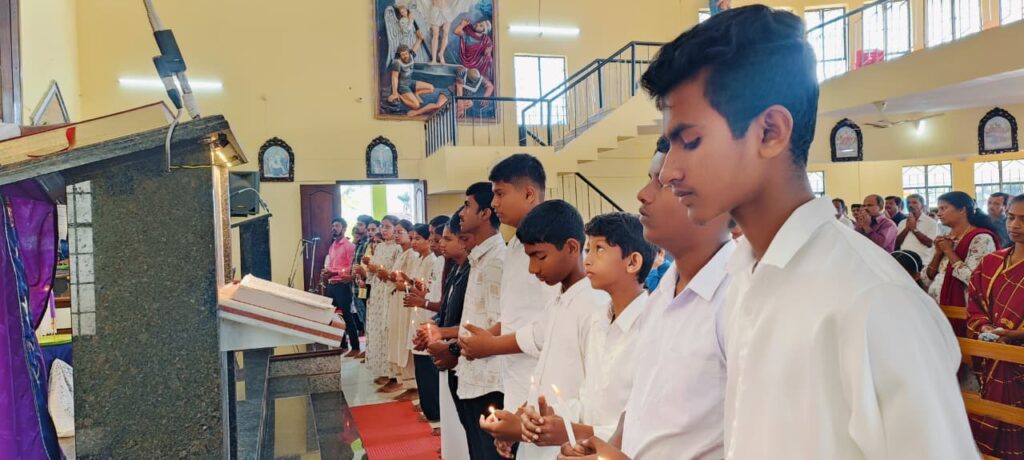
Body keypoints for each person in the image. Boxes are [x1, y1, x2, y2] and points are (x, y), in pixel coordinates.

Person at [646, 6, 975, 458]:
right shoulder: (745, 278)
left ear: (770, 131)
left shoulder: (872, 299)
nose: (669, 171)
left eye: (690, 141)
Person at [561, 137, 736, 460]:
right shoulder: (662, 295)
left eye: (664, 183)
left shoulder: (737, 296)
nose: (643, 193)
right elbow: (641, 404)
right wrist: (606, 449)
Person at [475, 200, 609, 459]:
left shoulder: (595, 306)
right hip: (541, 438)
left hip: (570, 445)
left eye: (540, 256)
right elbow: (543, 373)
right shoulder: (559, 300)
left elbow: (594, 396)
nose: (532, 268)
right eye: (529, 257)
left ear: (572, 248)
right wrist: (519, 418)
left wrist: (528, 427)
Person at [522, 212, 655, 453]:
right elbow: (589, 402)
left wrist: (578, 432)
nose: (588, 260)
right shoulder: (599, 320)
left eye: (599, 249)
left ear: (632, 262)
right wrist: (556, 414)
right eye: (588, 250)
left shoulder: (652, 328)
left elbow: (646, 423)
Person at [966, 194, 1024, 459]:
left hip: (1018, 358)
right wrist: (986, 329)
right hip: (994, 355)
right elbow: (975, 303)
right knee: (993, 415)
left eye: (1023, 219)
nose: (1014, 225)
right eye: (1011, 217)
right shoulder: (991, 262)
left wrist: (1016, 335)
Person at [452, 182, 507, 460]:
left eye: (467, 205)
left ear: (485, 214)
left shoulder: (499, 259)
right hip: (472, 372)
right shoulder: (479, 258)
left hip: (491, 377)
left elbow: (511, 318)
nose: (462, 212)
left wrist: (480, 344)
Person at [421, 209, 472, 460]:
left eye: (447, 238)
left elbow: (472, 319)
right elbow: (448, 308)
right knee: (451, 408)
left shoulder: (473, 269)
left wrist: (444, 333)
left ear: (464, 242)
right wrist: (435, 326)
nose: (441, 243)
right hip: (450, 345)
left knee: (464, 419)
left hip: (462, 349)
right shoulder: (456, 269)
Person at [925, 191, 1000, 337]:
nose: (939, 213)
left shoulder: (981, 238)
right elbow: (926, 279)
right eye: (938, 209)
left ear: (962, 210)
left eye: (943, 208)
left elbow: (975, 280)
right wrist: (938, 253)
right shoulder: (945, 238)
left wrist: (949, 252)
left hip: (965, 310)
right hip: (938, 309)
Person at [398, 224, 439, 419]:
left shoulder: (433, 261)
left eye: (418, 238)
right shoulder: (421, 259)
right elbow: (419, 284)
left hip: (428, 314)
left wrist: (411, 288)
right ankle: (425, 402)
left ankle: (433, 408)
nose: (414, 242)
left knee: (428, 367)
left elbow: (429, 291)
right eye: (412, 238)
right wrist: (409, 282)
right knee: (421, 365)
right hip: (418, 311)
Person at [365, 216, 403, 387]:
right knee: (377, 330)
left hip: (388, 291)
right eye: (382, 226)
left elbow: (396, 274)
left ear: (395, 229)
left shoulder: (398, 248)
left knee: (387, 330)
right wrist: (368, 268)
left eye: (388, 226)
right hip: (377, 292)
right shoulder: (379, 247)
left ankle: (393, 374)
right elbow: (371, 274)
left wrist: (379, 270)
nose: (384, 229)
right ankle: (382, 370)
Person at [321, 217, 360, 354]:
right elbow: (331, 265)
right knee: (334, 316)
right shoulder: (332, 246)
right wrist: (327, 272)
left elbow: (351, 267)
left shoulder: (349, 246)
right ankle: (342, 344)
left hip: (343, 285)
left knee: (347, 316)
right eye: (333, 226)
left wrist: (335, 272)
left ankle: (355, 347)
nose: (334, 228)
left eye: (337, 226)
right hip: (332, 285)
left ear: (344, 228)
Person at [388, 45, 437, 113]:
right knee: (416, 106)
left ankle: (416, 94)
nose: (405, 56)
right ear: (399, 55)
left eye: (406, 53)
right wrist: (395, 93)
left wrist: (419, 40)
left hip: (410, 82)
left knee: (431, 88)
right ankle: (400, 96)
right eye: (403, 55)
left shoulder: (411, 56)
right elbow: (394, 77)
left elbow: (415, 47)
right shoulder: (397, 63)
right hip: (402, 87)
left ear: (409, 52)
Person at [350, 214, 374, 339]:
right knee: (362, 316)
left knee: (367, 316)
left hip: (365, 284)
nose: (357, 227)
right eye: (357, 224)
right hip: (357, 285)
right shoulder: (359, 243)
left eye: (361, 225)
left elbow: (366, 266)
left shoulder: (369, 244)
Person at [896, 193, 938, 262]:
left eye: (914, 203)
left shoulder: (931, 222)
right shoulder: (902, 222)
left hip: (923, 261)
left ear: (922, 206)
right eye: (908, 203)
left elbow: (930, 243)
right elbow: (897, 243)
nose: (910, 205)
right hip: (904, 259)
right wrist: (906, 229)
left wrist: (914, 229)